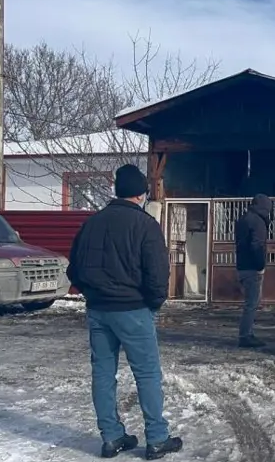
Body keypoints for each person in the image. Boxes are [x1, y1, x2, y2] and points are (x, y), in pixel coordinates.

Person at [66, 164, 183, 460]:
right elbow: (158, 274)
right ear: (141, 194)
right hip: (133, 309)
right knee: (146, 374)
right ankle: (156, 438)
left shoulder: (91, 224)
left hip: (98, 310)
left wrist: (92, 293)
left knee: (103, 374)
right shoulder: (145, 225)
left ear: (117, 191)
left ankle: (111, 438)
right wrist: (153, 304)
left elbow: (74, 269)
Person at [234, 194, 271, 348]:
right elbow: (257, 245)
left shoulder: (243, 219)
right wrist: (260, 265)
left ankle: (247, 333)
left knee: (250, 302)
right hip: (252, 267)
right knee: (251, 303)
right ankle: (245, 336)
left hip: (242, 265)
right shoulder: (258, 221)